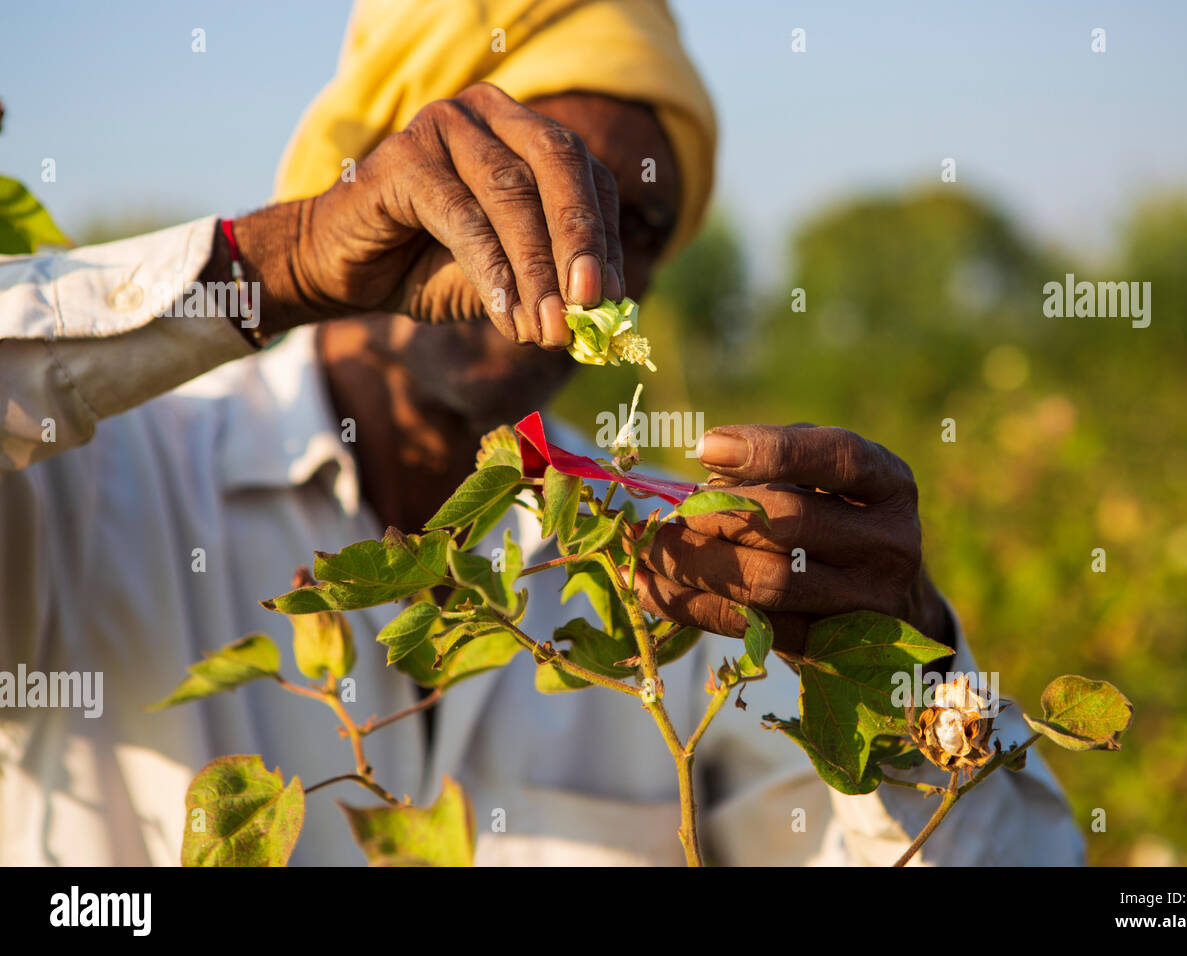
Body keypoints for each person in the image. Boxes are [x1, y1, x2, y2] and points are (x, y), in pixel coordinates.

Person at [0, 0, 1083, 865]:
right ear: (380, 178)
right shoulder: (91, 480)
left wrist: (912, 674)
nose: (577, 256)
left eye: (633, 226)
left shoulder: (679, 562)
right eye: (519, 179)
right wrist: (272, 265)